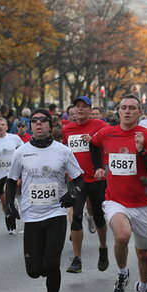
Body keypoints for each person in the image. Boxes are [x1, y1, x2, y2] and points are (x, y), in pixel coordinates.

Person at [6, 108, 84, 292]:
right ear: (30, 125)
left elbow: (79, 179)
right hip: (31, 216)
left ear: (50, 125)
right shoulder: (21, 152)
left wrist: (72, 194)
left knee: (52, 263)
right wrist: (10, 210)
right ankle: (42, 271)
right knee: (33, 271)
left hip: (56, 214)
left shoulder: (63, 151)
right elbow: (11, 182)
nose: (38, 124)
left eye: (43, 121)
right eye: (34, 121)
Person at [90, 94, 147, 292]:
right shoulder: (107, 132)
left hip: (142, 204)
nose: (128, 111)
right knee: (122, 236)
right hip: (115, 200)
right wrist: (98, 167)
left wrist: (141, 151)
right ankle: (122, 272)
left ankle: (142, 288)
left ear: (139, 112)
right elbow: (93, 145)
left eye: (132, 108)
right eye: (124, 107)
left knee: (143, 254)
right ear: (118, 111)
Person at [61, 96, 109, 273]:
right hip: (77, 179)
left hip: (96, 179)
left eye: (84, 107)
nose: (80, 109)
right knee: (77, 216)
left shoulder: (100, 126)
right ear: (73, 110)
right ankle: (77, 259)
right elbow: (64, 150)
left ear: (90, 110)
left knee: (98, 215)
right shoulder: (67, 129)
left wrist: (95, 139)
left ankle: (103, 247)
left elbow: (111, 140)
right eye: (77, 106)